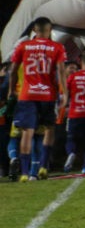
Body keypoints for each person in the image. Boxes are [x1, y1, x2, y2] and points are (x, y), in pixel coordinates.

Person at [7, 17, 67, 182]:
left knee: (27, 133)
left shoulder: (23, 46)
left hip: (27, 94)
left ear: (34, 29)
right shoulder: (57, 47)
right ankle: (42, 166)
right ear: (49, 30)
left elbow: (12, 71)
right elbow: (61, 71)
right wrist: (65, 94)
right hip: (48, 94)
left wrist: (12, 90)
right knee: (49, 129)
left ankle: (25, 173)